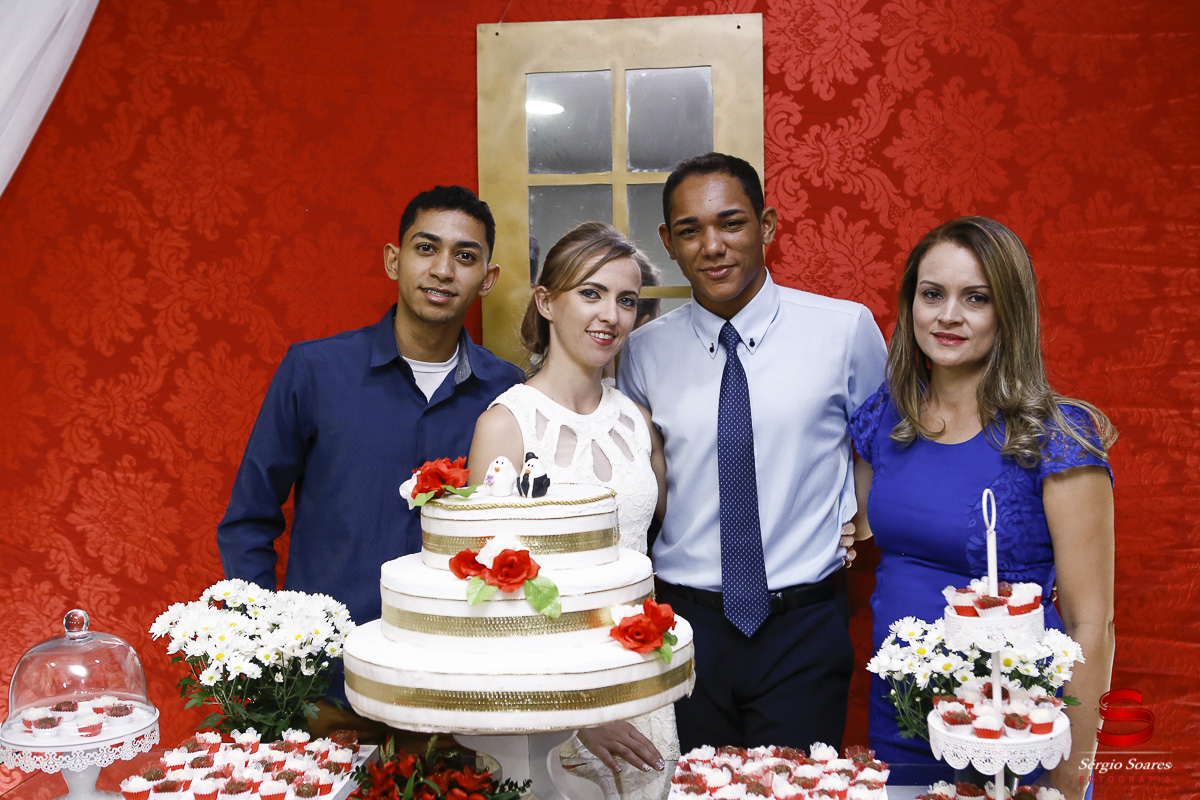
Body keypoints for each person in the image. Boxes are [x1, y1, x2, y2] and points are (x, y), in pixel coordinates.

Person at [217, 185, 524, 735]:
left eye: (465, 256)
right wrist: (267, 651)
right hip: (324, 691)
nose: (443, 269)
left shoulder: (509, 394)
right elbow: (248, 521)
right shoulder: (314, 371)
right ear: (393, 260)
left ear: (488, 279)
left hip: (462, 688)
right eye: (425, 248)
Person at [617, 152, 887, 752]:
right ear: (668, 241)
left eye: (731, 223)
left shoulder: (844, 331)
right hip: (683, 624)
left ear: (766, 227)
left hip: (803, 626)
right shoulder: (642, 352)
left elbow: (884, 442)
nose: (712, 245)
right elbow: (640, 480)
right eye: (690, 230)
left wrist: (856, 516)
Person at [848, 216, 1115, 796]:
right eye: (932, 294)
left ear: (1009, 312)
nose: (948, 316)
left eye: (976, 298)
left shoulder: (1057, 437)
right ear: (910, 302)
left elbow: (1092, 622)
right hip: (900, 722)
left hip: (1015, 729)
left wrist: (1073, 772)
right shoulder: (884, 417)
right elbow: (869, 525)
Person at [467, 221, 674, 799]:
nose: (610, 314)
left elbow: (644, 554)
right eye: (591, 292)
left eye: (626, 300)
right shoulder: (504, 426)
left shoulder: (639, 423)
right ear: (546, 302)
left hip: (639, 686)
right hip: (544, 707)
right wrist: (582, 713)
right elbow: (491, 605)